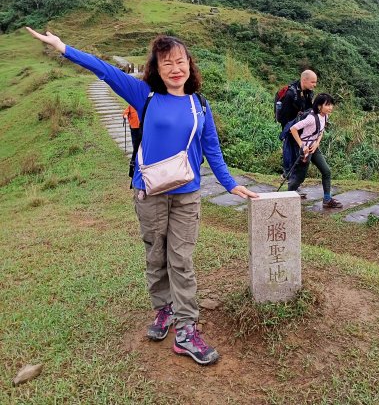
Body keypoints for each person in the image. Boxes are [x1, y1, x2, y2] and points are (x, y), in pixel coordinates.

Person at [26, 27, 259, 366]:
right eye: (167, 64)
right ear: (157, 68)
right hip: (149, 192)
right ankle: (163, 310)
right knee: (155, 255)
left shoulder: (200, 105)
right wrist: (63, 47)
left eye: (181, 62)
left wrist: (230, 184)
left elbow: (212, 151)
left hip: (186, 195)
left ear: (190, 66)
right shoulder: (144, 95)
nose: (175, 69)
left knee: (181, 259)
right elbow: (103, 70)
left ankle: (186, 330)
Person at [288, 93, 342, 208]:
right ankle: (287, 195)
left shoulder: (326, 116)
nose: (330, 107)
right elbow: (293, 129)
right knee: (300, 177)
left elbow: (321, 131)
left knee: (326, 171)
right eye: (327, 105)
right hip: (305, 150)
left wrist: (317, 143)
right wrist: (302, 146)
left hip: (314, 148)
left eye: (331, 105)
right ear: (319, 106)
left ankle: (327, 199)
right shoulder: (311, 118)